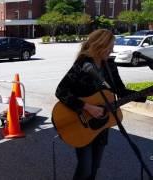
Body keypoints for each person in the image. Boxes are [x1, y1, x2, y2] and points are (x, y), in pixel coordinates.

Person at [55, 29, 148, 180]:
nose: (112, 50)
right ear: (99, 45)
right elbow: (61, 91)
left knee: (94, 168)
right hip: (82, 123)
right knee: (84, 169)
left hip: (101, 126)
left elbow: (120, 90)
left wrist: (145, 94)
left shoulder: (110, 65)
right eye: (109, 46)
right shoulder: (83, 64)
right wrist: (87, 107)